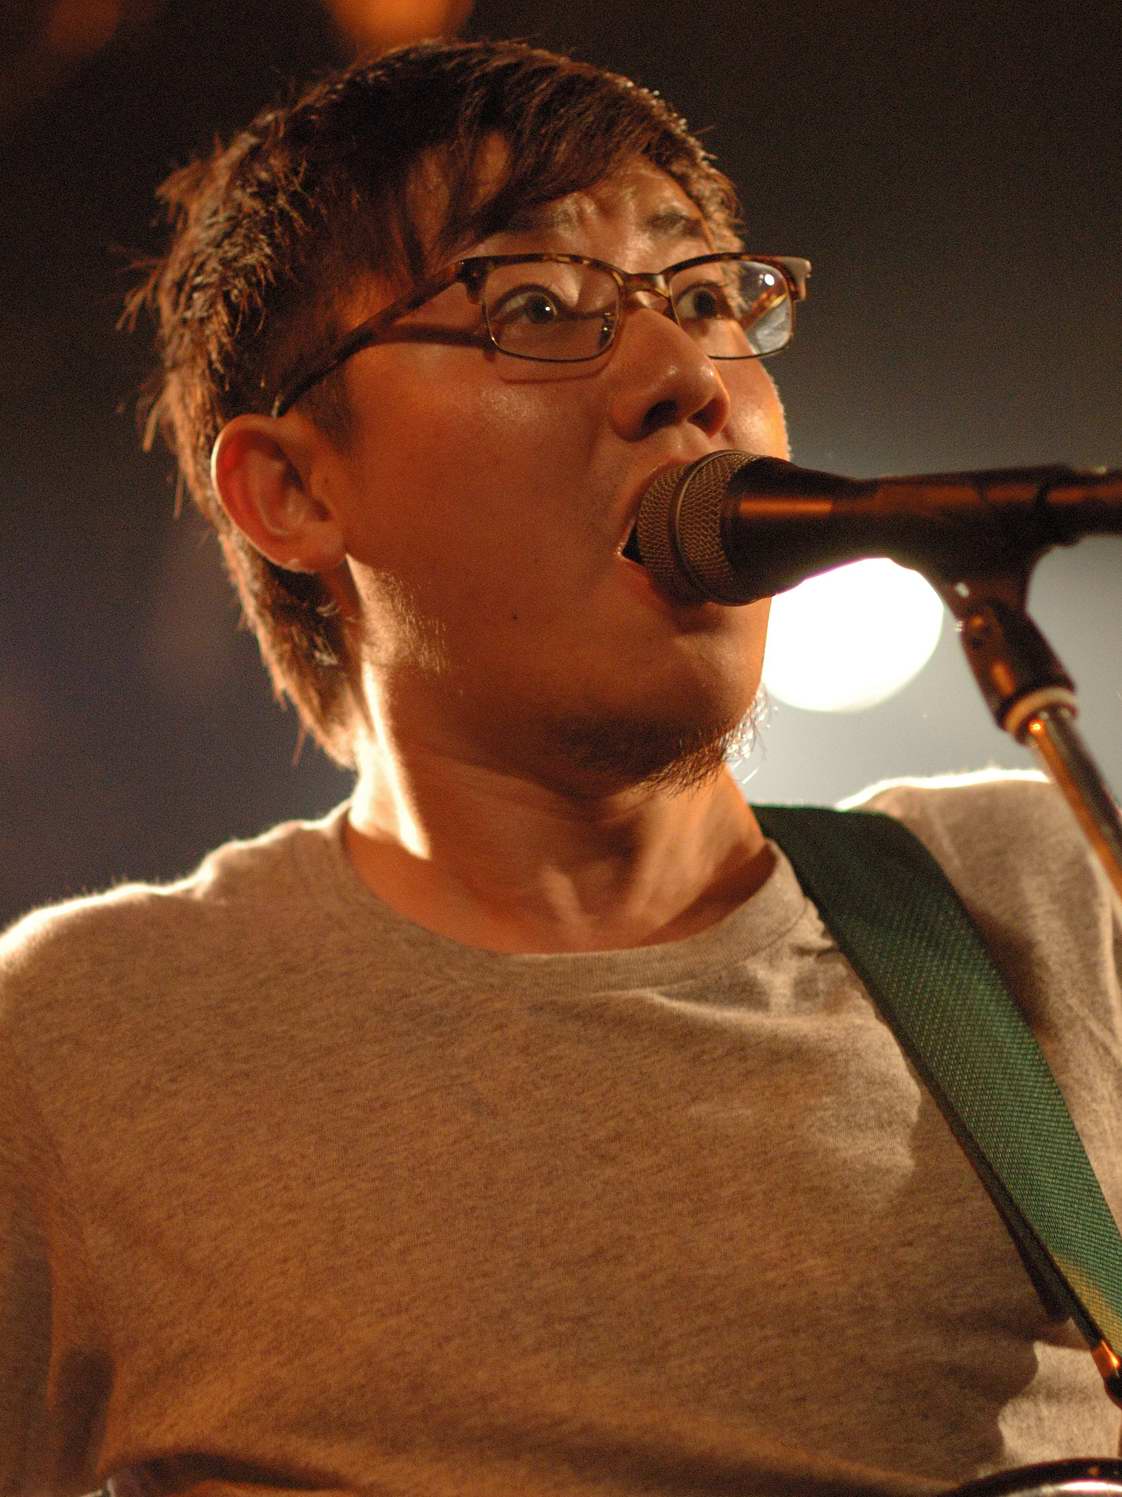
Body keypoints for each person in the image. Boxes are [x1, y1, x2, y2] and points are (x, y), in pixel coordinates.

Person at [1, 37, 1119, 1497]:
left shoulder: (1051, 893)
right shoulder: (80, 1044)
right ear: (293, 488)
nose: (684, 376)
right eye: (533, 305)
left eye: (705, 298)